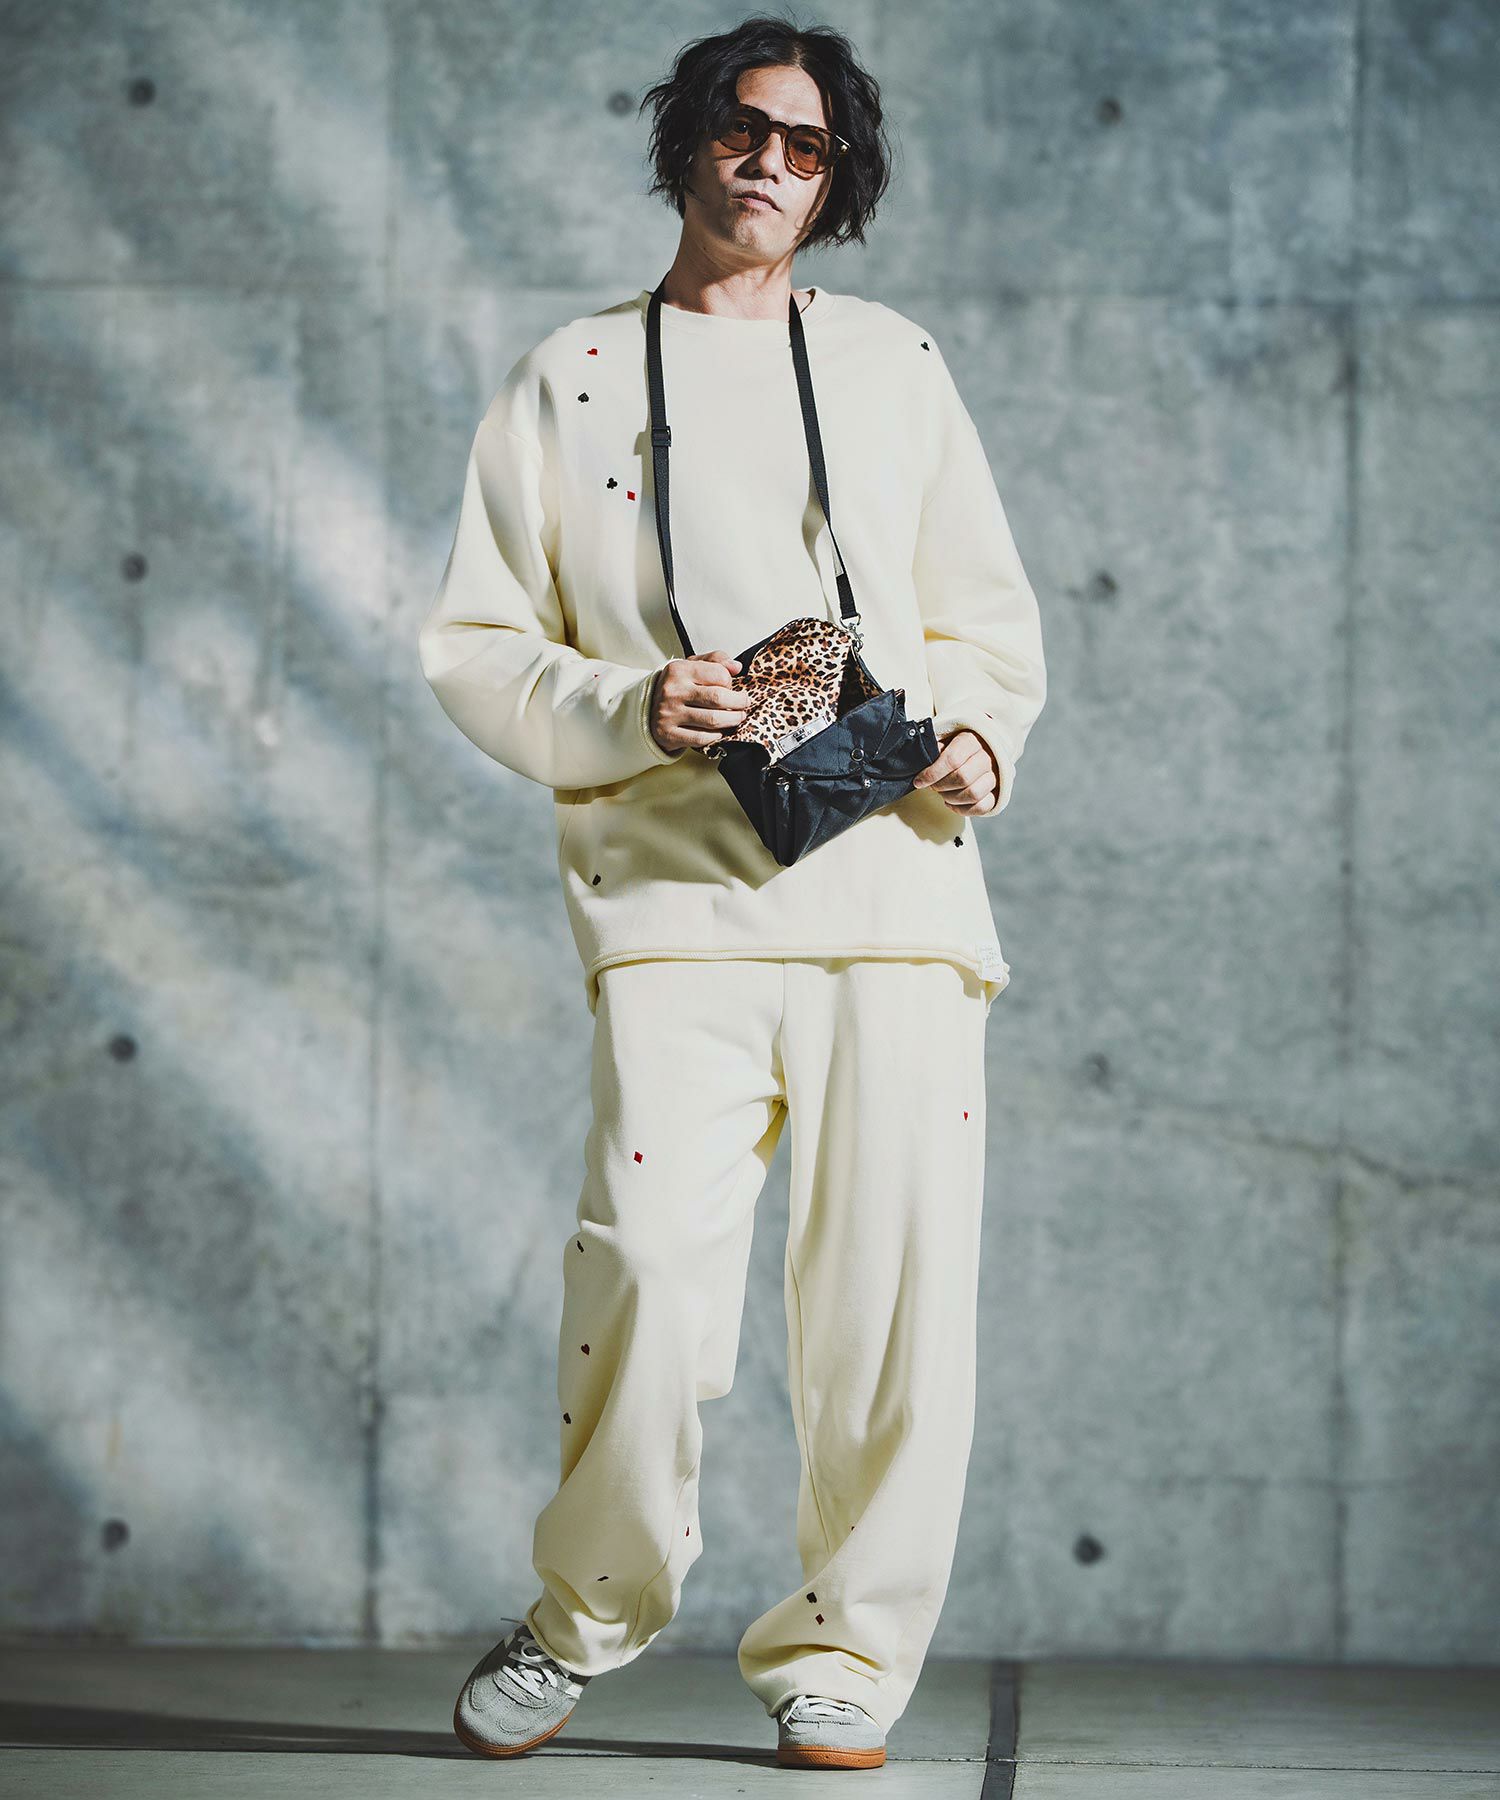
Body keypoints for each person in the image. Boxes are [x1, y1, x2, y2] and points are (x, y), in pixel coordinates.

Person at [419, 13, 1046, 1773]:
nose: (773, 163)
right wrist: (634, 703)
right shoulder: (570, 377)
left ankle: (849, 1653)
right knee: (644, 1274)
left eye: (809, 144)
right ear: (688, 142)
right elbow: (477, 643)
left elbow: (986, 616)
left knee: (893, 1310)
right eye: (744, 129)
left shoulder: (894, 363)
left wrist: (976, 740)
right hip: (673, 908)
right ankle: (583, 1615)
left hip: (896, 899)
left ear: (835, 181)